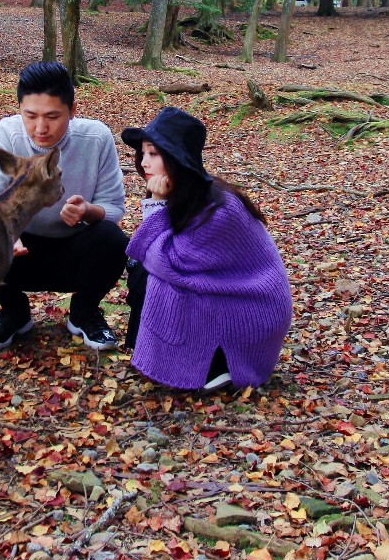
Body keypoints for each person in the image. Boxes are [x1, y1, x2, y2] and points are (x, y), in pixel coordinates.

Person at [121, 106, 292, 392]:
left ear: (175, 159)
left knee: (156, 278)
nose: (143, 162)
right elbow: (153, 253)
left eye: (153, 153)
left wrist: (154, 205)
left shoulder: (220, 209)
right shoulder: (184, 195)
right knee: (141, 273)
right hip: (226, 294)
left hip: (255, 309)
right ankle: (177, 359)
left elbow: (168, 262)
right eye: (142, 153)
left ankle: (219, 363)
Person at [0, 60, 127, 351]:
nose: (40, 128)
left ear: (72, 110)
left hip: (74, 251)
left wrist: (88, 211)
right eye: (30, 115)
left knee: (112, 239)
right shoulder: (7, 135)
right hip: (18, 255)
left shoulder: (96, 138)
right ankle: (14, 313)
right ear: (19, 108)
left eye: (53, 116)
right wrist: (6, 231)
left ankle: (84, 313)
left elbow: (115, 207)